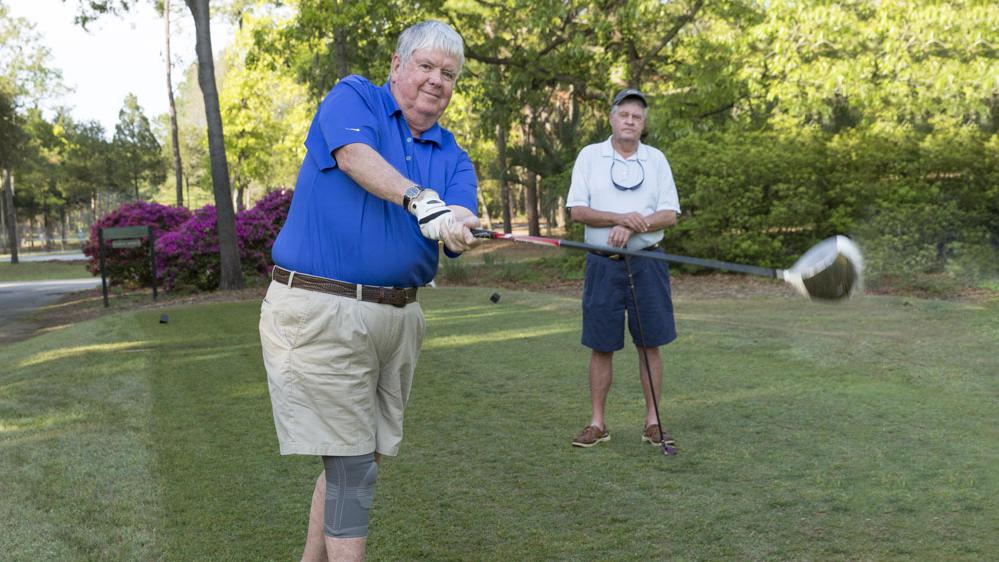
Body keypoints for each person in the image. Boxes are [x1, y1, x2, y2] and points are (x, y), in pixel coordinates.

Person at [259, 21, 480, 562]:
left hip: (397, 320)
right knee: (352, 467)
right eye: (426, 66)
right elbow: (355, 158)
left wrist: (458, 222)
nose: (436, 81)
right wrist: (420, 199)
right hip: (322, 308)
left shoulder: (452, 152)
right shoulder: (354, 97)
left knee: (356, 460)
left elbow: (460, 211)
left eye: (448, 74)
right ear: (397, 65)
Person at [565, 88, 681, 450]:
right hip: (603, 265)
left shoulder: (656, 160)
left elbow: (669, 214)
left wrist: (632, 226)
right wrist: (619, 216)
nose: (630, 121)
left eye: (637, 117)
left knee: (651, 343)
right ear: (612, 118)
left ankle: (653, 422)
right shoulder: (590, 156)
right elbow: (577, 211)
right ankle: (598, 423)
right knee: (601, 345)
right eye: (624, 114)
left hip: (648, 264)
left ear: (643, 125)